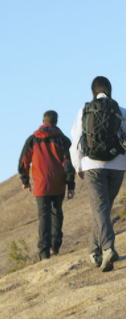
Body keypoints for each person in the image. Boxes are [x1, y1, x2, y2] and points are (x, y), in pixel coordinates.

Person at [70, 76, 126, 272]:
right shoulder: (121, 111)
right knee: (102, 209)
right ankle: (93, 251)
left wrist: (78, 166)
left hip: (92, 166)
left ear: (93, 92)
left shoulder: (84, 111)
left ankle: (107, 249)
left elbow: (76, 142)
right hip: (117, 167)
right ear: (110, 90)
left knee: (100, 209)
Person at [18, 110, 75, 260]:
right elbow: (68, 163)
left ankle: (44, 252)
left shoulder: (33, 139)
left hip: (40, 184)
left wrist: (25, 180)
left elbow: (24, 161)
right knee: (57, 213)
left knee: (44, 216)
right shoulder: (63, 140)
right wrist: (71, 185)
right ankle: (56, 247)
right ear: (56, 121)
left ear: (43, 121)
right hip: (58, 183)